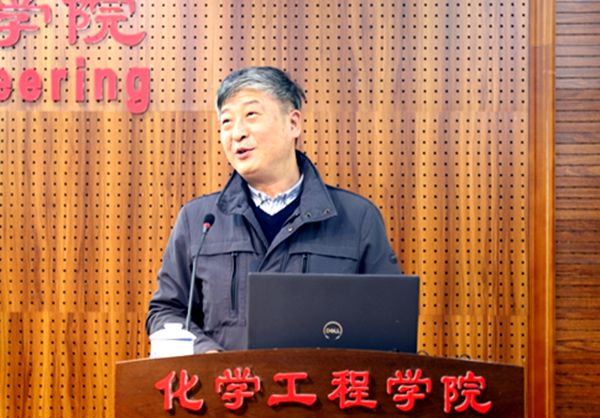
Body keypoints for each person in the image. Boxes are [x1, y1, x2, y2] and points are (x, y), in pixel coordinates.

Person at [146, 66, 401, 353]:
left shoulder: (357, 218)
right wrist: (209, 356)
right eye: (226, 121)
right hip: (227, 381)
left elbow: (390, 322)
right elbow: (167, 312)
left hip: (319, 382)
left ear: (293, 124)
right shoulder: (199, 221)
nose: (237, 133)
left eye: (251, 115)